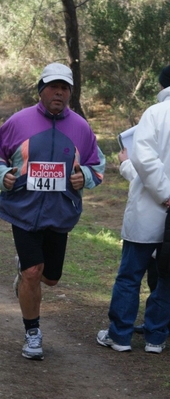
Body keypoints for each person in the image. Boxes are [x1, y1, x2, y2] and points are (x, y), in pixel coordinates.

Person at [0, 62, 105, 360]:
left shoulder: (81, 127)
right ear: (41, 90)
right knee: (33, 272)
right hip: (22, 210)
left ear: (70, 93)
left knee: (50, 278)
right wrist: (3, 177)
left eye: (65, 88)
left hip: (61, 213)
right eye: (53, 87)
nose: (59, 93)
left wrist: (84, 178)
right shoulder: (17, 122)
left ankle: (27, 272)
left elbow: (97, 166)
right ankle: (32, 332)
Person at [97, 64, 170, 354]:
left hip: (148, 211)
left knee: (130, 276)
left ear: (162, 85)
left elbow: (145, 161)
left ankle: (121, 335)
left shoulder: (155, 114)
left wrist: (166, 194)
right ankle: (155, 337)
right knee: (167, 278)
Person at [119, 148, 158, 334]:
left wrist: (126, 163)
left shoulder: (155, 126)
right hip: (157, 224)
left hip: (144, 222)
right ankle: (157, 331)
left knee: (129, 278)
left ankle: (120, 334)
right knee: (161, 279)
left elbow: (146, 175)